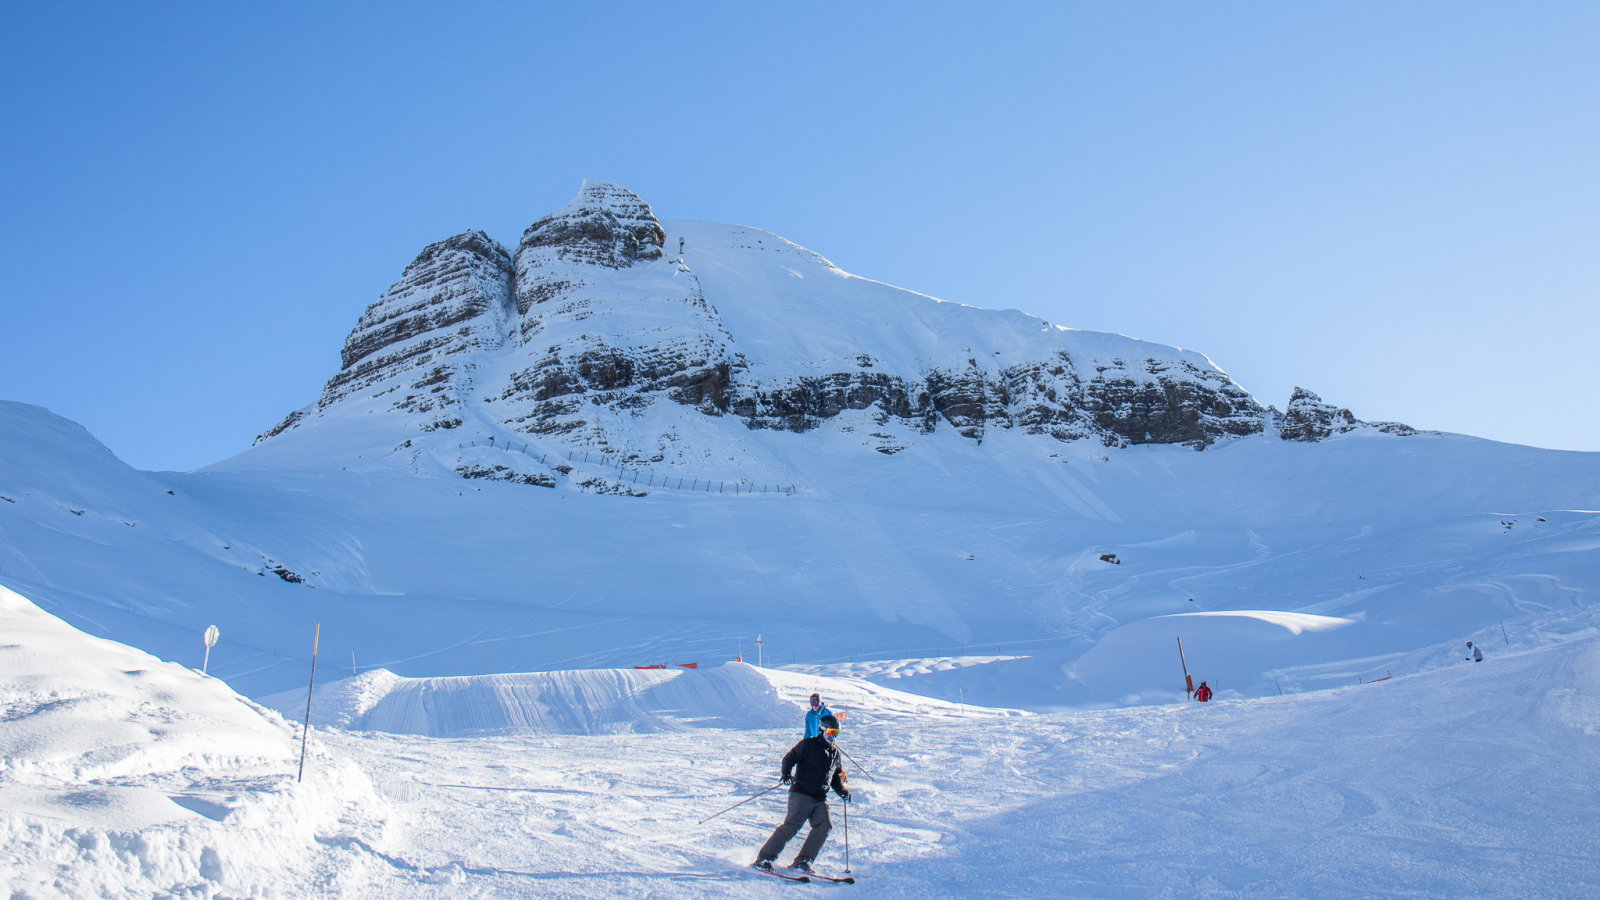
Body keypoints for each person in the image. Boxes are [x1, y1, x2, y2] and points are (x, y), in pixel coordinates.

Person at [754, 714, 851, 874]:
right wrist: (786, 773)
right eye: (831, 732)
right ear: (822, 729)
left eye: (836, 734)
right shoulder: (808, 745)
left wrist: (842, 792)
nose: (833, 737)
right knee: (792, 826)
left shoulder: (835, 754)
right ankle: (764, 858)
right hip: (802, 794)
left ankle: (803, 861)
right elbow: (789, 758)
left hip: (820, 798)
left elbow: (834, 778)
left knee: (824, 825)